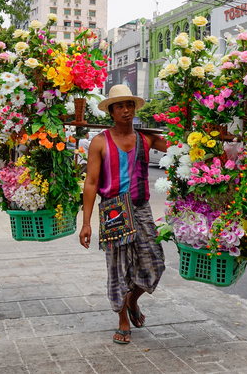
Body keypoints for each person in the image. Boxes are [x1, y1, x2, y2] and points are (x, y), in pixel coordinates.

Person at [79, 85, 167, 345]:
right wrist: (86, 223)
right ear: (111, 112)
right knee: (118, 269)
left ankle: (132, 300)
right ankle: (122, 321)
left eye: (129, 105)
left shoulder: (146, 139)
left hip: (141, 209)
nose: (126, 110)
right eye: (120, 106)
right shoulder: (99, 142)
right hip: (113, 210)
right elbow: (91, 183)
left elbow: (181, 146)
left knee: (155, 263)